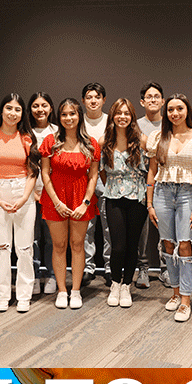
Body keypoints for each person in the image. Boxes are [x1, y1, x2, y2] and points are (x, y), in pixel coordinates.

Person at [147, 94, 192, 322]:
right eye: (171, 109)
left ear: (187, 111)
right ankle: (174, 293)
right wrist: (149, 202)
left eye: (180, 109)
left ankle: (185, 299)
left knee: (185, 245)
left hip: (187, 194)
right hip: (162, 194)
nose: (175, 113)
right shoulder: (158, 137)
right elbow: (152, 172)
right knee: (168, 243)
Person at [0, 93, 40, 313]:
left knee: (24, 249)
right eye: (9, 108)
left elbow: (34, 171)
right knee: (1, 248)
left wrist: (25, 197)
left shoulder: (27, 137)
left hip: (23, 191)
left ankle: (24, 295)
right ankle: (3, 296)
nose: (12, 113)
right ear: (1, 110)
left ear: (22, 113)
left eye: (17, 109)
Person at [40, 98, 100, 309]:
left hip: (80, 199)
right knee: (59, 245)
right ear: (59, 117)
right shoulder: (50, 141)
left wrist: (85, 202)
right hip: (55, 199)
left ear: (79, 116)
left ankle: (75, 291)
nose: (68, 118)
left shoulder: (91, 143)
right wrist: (56, 201)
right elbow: (45, 173)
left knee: (77, 245)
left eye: (72, 114)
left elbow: (93, 176)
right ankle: (61, 290)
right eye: (64, 114)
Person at [99, 98, 148, 308]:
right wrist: (114, 185)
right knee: (117, 245)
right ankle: (115, 284)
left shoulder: (142, 140)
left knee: (132, 245)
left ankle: (127, 284)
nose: (122, 117)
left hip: (137, 198)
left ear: (132, 116)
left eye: (127, 113)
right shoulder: (104, 141)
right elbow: (101, 172)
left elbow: (150, 170)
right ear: (112, 116)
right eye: (118, 113)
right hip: (113, 198)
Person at [135, 81, 169, 289]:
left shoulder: (171, 123)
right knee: (142, 229)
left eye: (157, 96)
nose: (153, 100)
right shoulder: (135, 125)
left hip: (165, 180)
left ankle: (166, 268)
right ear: (142, 102)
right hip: (140, 179)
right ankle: (143, 268)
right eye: (149, 97)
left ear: (163, 101)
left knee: (164, 227)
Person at [81, 82, 111, 286]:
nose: (93, 100)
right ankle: (87, 267)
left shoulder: (112, 122)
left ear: (103, 100)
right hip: (82, 179)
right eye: (89, 97)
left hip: (107, 178)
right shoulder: (76, 121)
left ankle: (110, 267)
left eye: (97, 97)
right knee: (85, 227)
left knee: (109, 227)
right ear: (83, 100)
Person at [28, 92, 58, 295]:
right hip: (28, 193)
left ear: (51, 108)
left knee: (51, 238)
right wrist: (32, 193)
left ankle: (52, 275)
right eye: (36, 106)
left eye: (44, 105)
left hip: (53, 193)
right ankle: (35, 275)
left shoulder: (57, 131)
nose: (40, 110)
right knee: (32, 238)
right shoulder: (25, 131)